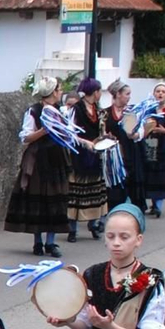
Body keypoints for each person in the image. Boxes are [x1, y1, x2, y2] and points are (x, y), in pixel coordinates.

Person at [6, 76, 73, 259]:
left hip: (57, 158)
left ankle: (50, 242)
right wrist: (44, 130)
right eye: (59, 90)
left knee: (56, 200)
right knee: (38, 198)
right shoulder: (34, 111)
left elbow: (68, 134)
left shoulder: (62, 111)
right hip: (39, 158)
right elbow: (25, 137)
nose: (61, 93)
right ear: (52, 92)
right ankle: (37, 241)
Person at [67, 79, 110, 241]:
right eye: (99, 91)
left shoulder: (98, 111)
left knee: (94, 191)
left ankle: (93, 224)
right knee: (76, 192)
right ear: (95, 92)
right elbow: (70, 133)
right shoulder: (76, 110)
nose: (100, 94)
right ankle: (72, 229)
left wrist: (105, 139)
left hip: (95, 154)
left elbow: (101, 131)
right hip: (80, 154)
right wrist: (85, 143)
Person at [107, 80, 149, 216]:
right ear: (118, 94)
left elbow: (141, 131)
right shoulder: (105, 113)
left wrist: (135, 135)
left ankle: (136, 215)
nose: (129, 97)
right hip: (114, 157)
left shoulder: (132, 112)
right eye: (127, 94)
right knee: (115, 188)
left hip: (131, 153)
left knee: (133, 185)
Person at [141, 83, 165, 217]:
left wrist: (164, 131)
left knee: (162, 175)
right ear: (154, 94)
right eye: (158, 91)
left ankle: (158, 205)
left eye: (163, 91)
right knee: (150, 174)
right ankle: (151, 202)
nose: (160, 94)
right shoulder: (147, 110)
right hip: (150, 146)